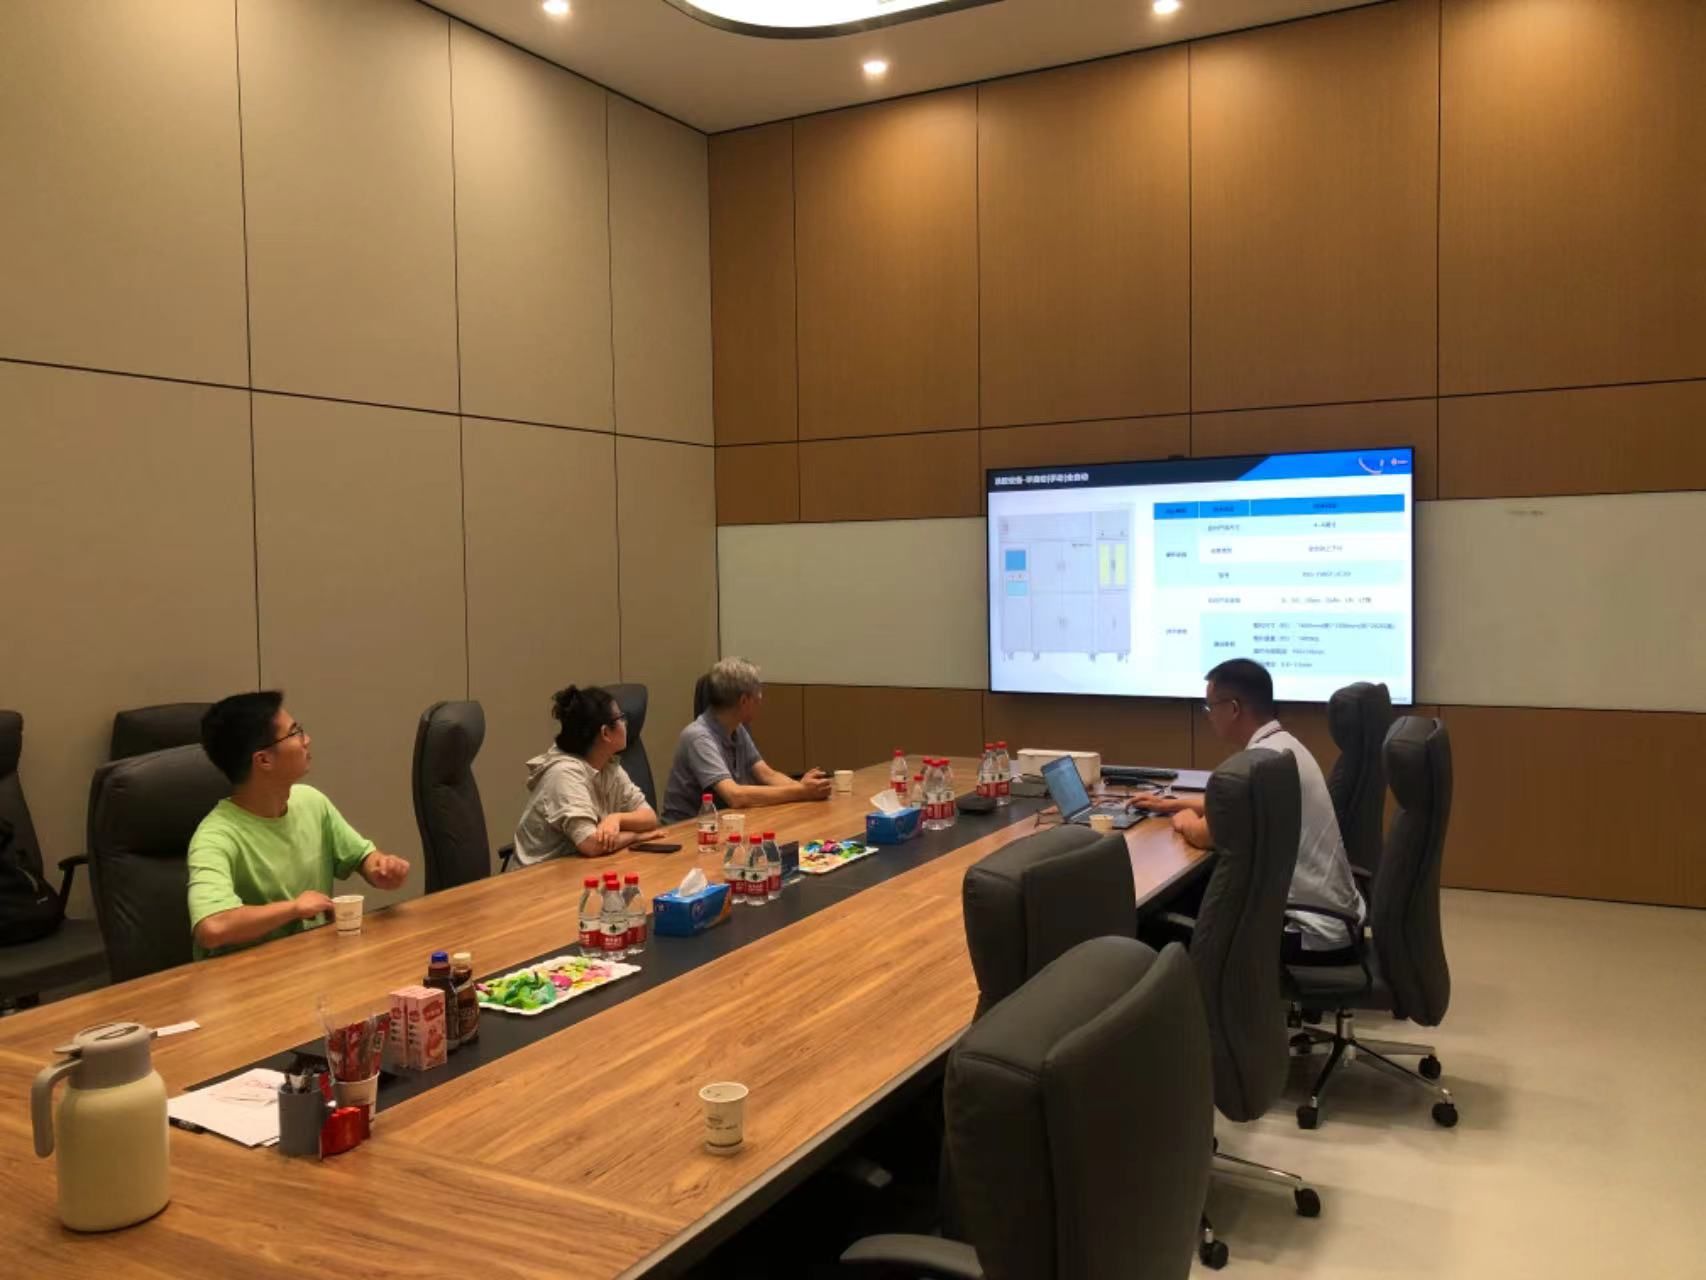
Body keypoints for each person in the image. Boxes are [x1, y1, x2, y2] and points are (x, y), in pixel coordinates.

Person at [1134, 658, 1366, 961]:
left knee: (1151, 922)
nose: (1208, 716)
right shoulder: (1283, 748)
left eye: (1210, 707)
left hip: (1306, 932)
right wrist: (1174, 803)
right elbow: (1241, 805)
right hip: (1336, 921)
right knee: (1192, 891)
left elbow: (1205, 835)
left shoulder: (1260, 764)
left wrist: (1182, 819)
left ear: (1233, 708)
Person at [187, 691, 410, 958]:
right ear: (264, 760)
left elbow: (362, 857)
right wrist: (294, 908)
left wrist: (380, 867)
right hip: (250, 976)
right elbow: (212, 927)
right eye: (295, 733)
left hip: (313, 961)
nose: (307, 740)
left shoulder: (311, 802)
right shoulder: (215, 837)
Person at [661, 657, 831, 822]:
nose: (761, 700)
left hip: (721, 822)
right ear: (743, 700)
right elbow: (735, 796)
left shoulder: (737, 728)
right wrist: (801, 791)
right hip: (687, 830)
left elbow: (767, 775)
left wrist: (807, 788)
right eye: (758, 694)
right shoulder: (698, 737)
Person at [511, 685, 662, 866]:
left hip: (578, 868)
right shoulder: (564, 773)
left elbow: (649, 817)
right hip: (536, 877)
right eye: (621, 718)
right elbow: (591, 844)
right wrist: (636, 837)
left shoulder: (608, 765)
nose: (626, 723)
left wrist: (616, 818)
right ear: (605, 733)